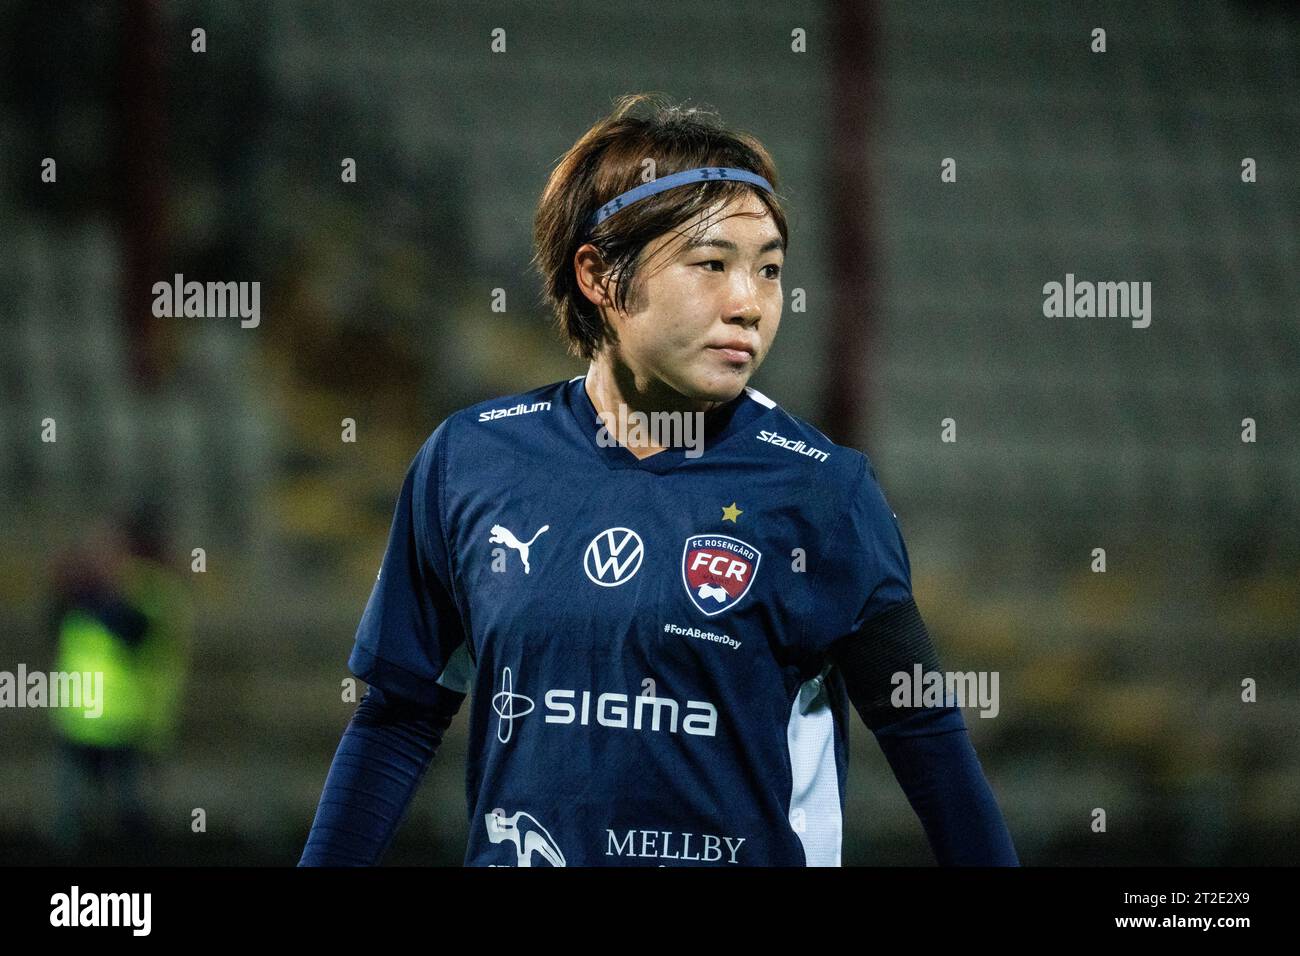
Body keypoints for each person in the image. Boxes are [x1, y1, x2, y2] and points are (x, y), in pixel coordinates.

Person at [300, 93, 1018, 867]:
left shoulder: (824, 494)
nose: (750, 303)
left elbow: (924, 734)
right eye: (711, 265)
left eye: (770, 270)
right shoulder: (468, 463)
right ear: (600, 276)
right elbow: (398, 717)